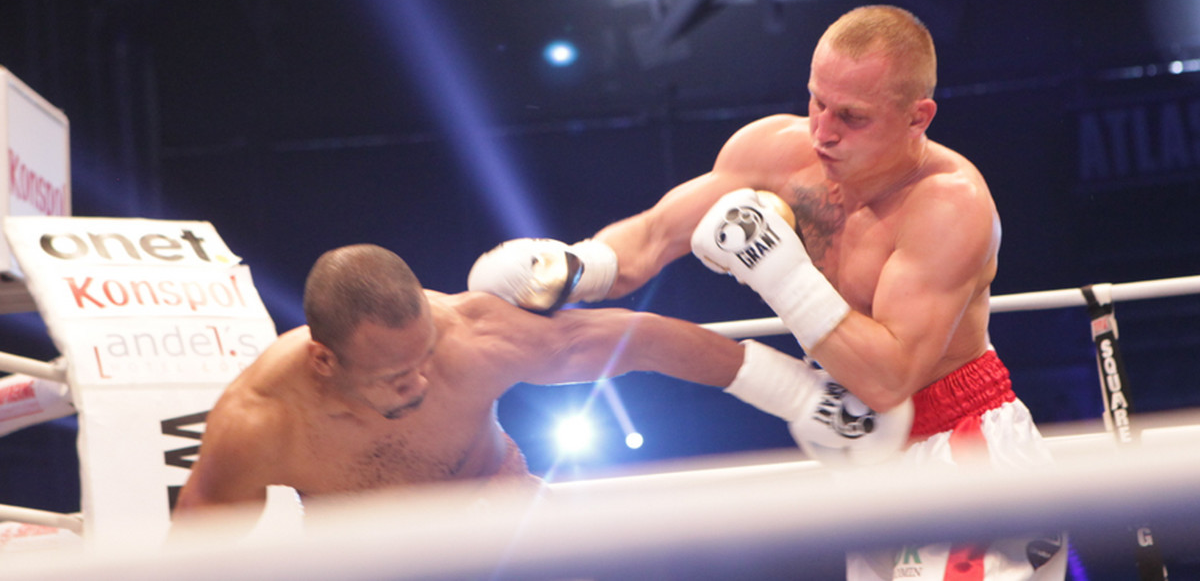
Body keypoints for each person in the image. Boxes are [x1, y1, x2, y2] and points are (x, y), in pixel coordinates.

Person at [469, 5, 1067, 580]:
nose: (823, 131)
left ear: (919, 117)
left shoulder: (947, 204)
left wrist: (779, 270)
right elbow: (650, 239)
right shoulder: (776, 151)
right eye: (817, 101)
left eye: (851, 117)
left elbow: (889, 379)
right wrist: (573, 266)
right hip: (861, 449)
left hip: (960, 445)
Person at [171, 243, 909, 537]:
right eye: (395, 377)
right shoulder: (261, 422)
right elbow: (199, 545)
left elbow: (638, 339)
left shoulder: (472, 337)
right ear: (325, 362)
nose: (422, 380)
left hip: (506, 530)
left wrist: (797, 393)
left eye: (423, 355)